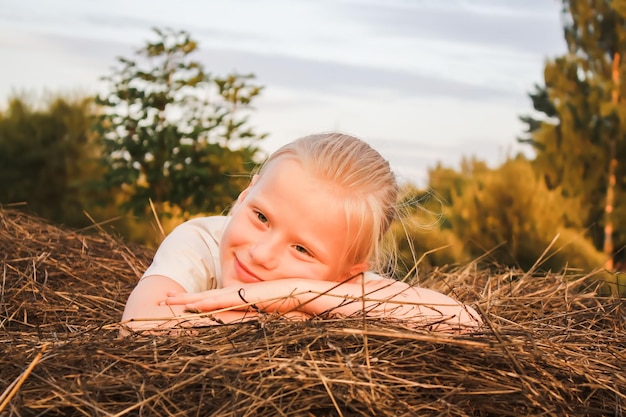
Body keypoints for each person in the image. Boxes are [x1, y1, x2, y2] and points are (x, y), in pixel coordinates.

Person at [120, 132, 482, 335]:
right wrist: (286, 315)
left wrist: (300, 294)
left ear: (348, 271)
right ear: (246, 194)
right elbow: (139, 326)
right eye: (260, 216)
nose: (261, 254)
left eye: (302, 249)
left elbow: (467, 324)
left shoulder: (336, 284)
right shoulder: (200, 241)